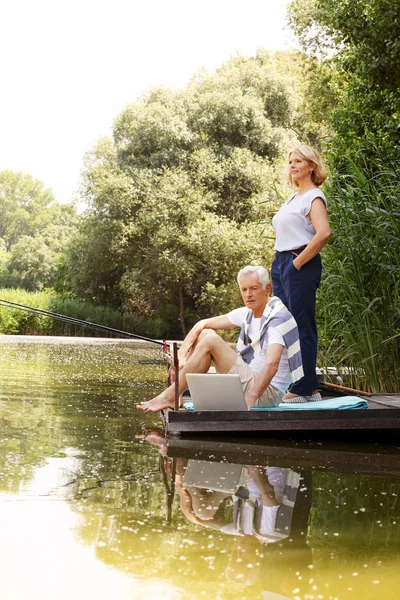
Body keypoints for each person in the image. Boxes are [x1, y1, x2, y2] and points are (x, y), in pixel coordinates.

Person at [136, 265, 303, 413]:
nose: (248, 294)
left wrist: (248, 401)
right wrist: (182, 356)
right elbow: (202, 324)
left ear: (267, 289)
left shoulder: (277, 319)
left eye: (253, 288)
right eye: (244, 290)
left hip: (267, 393)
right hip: (249, 378)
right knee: (205, 334)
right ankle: (176, 394)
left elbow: (272, 364)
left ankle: (168, 396)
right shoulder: (248, 313)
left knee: (211, 341)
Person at [271, 145, 331, 403]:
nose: (293, 165)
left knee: (300, 325)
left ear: (312, 166)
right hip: (282, 261)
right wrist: (282, 266)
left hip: (299, 263)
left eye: (299, 161)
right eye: (291, 161)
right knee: (285, 325)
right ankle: (309, 386)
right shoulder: (293, 198)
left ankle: (304, 386)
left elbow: (324, 232)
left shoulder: (313, 196)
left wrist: (297, 264)